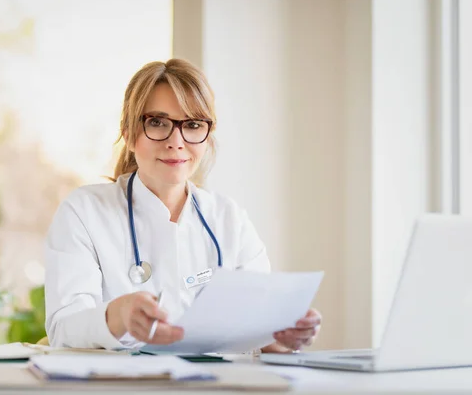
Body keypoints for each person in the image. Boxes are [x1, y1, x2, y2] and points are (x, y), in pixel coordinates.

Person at [44, 58, 321, 352]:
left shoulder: (229, 219)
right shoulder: (84, 212)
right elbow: (64, 328)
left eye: (192, 125)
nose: (176, 141)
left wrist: (280, 336)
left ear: (206, 137)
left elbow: (258, 332)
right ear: (128, 133)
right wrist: (119, 315)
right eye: (157, 122)